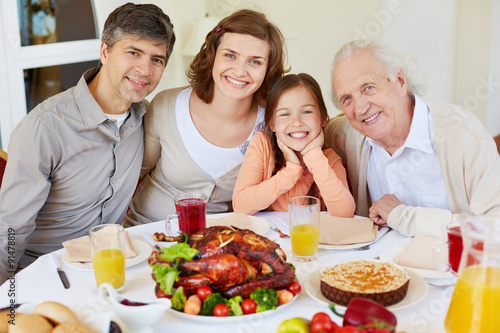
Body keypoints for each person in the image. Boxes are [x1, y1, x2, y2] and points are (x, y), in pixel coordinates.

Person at [0, 3, 176, 285]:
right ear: (105, 51)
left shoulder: (149, 119)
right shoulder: (44, 127)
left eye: (157, 59)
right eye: (133, 52)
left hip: (116, 268)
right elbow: (8, 232)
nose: (144, 70)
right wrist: (8, 299)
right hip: (46, 272)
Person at [125, 9, 288, 226]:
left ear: (268, 69)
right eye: (230, 55)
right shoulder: (166, 106)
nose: (240, 71)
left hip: (221, 245)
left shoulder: (273, 124)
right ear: (212, 56)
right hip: (146, 233)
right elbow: (132, 175)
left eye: (255, 62)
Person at [324, 39, 500, 239]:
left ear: (400, 81)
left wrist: (405, 217)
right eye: (346, 99)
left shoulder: (463, 136)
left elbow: (495, 227)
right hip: (377, 268)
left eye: (368, 87)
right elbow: (310, 134)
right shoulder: (347, 135)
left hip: (449, 267)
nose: (360, 108)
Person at [233, 73, 355, 216]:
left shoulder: (329, 160)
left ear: (323, 119)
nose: (296, 122)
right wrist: (291, 171)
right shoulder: (262, 145)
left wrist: (314, 156)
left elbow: (345, 213)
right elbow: (240, 206)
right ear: (272, 124)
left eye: (306, 111)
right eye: (285, 114)